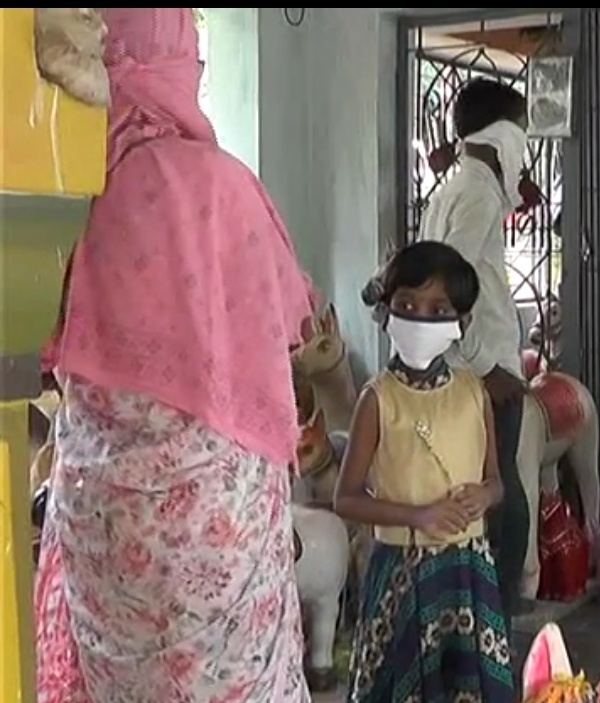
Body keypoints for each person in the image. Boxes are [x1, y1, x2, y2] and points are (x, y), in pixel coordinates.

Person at [33, 9, 314, 702]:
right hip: (218, 535)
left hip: (104, 528)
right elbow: (285, 326)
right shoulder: (221, 186)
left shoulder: (65, 186)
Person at [335, 241, 514, 703]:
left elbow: (497, 481)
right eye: (407, 305)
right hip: (401, 572)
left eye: (438, 309)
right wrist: (419, 516)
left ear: (461, 323)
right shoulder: (377, 399)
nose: (419, 318)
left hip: (467, 569)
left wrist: (485, 496)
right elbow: (346, 498)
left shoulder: (475, 393)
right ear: (386, 312)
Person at [418, 77, 533, 613]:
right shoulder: (479, 194)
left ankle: (473, 605)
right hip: (482, 370)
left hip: (457, 364)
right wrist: (487, 366)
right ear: (503, 135)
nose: (526, 149)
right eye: (522, 134)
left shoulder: (451, 188)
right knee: (499, 487)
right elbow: (445, 283)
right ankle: (499, 609)